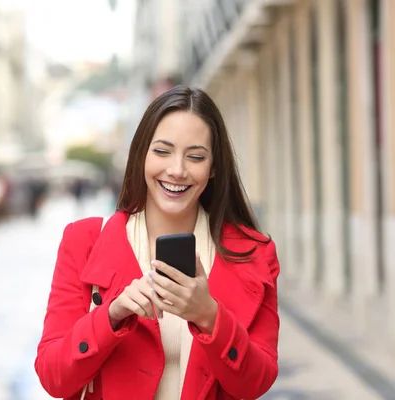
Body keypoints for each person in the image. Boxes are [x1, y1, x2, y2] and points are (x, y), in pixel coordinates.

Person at [35, 86, 280, 400]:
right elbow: (54, 378)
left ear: (214, 167)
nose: (177, 170)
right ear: (141, 156)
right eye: (162, 151)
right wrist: (110, 315)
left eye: (195, 157)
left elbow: (255, 384)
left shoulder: (254, 254)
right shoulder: (83, 242)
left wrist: (210, 317)